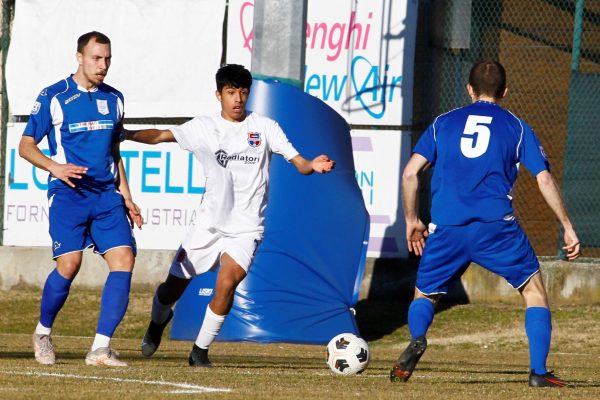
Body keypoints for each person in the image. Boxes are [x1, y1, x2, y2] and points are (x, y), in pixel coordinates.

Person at [124, 64, 334, 367]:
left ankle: (200, 352)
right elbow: (160, 136)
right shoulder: (203, 127)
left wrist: (312, 165)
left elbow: (298, 161)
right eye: (231, 92)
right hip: (208, 225)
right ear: (219, 94)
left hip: (247, 229)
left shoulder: (264, 127)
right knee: (173, 288)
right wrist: (127, 134)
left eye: (243, 92)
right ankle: (157, 324)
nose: (237, 99)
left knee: (226, 282)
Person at [390, 60, 580, 387]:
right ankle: (538, 372)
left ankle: (419, 337)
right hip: (496, 227)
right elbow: (544, 179)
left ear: (469, 89)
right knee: (534, 291)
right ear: (504, 92)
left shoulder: (442, 123)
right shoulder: (517, 127)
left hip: (448, 227)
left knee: (425, 295)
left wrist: (412, 220)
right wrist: (567, 225)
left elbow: (410, 174)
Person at [19, 31, 143, 367]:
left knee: (124, 260)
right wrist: (54, 167)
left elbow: (114, 151)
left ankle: (100, 349)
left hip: (106, 196)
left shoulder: (115, 98)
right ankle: (42, 333)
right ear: (79, 57)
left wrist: (127, 196)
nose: (103, 66)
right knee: (69, 266)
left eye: (107, 59)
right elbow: (25, 145)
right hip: (68, 195)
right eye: (96, 58)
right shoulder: (54, 96)